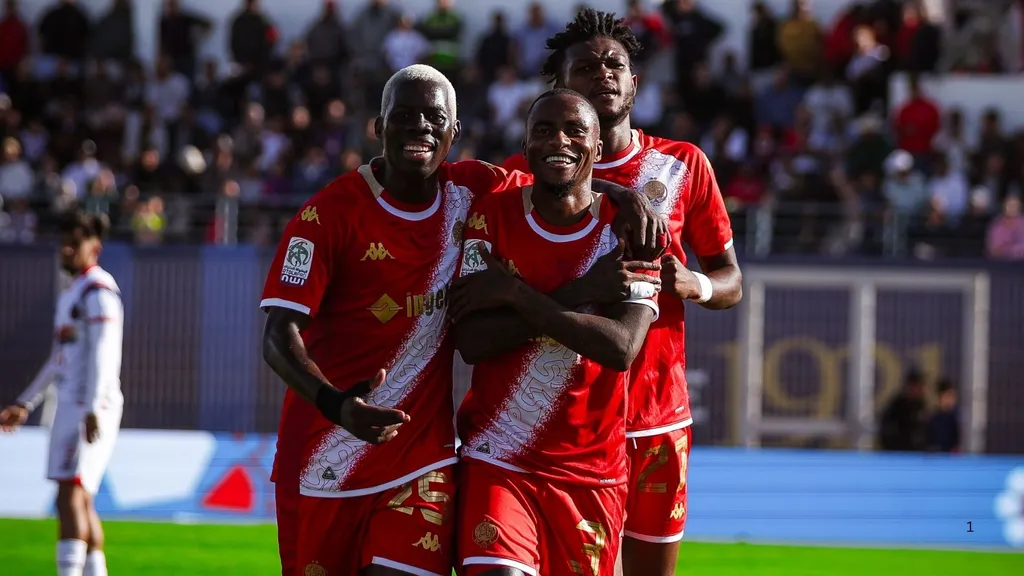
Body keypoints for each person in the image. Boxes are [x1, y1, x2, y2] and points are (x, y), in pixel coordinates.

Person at [260, 64, 665, 576]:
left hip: (420, 461)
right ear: (377, 128)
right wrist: (335, 403)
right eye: (403, 117)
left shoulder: (474, 189)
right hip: (327, 449)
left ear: (454, 133)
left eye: (434, 119)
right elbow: (277, 334)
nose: (419, 129)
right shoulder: (326, 216)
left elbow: (562, 169)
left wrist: (626, 195)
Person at [503, 10, 742, 576]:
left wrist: (694, 284)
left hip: (655, 416)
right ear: (560, 88)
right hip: (555, 416)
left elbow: (732, 280)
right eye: (585, 67)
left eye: (616, 64)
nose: (603, 74)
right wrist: (617, 191)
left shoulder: (683, 165)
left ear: (635, 82)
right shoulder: (518, 175)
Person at [451, 88, 660, 576]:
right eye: (543, 130)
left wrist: (514, 294)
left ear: (598, 149)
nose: (558, 141)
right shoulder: (492, 215)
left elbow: (620, 347)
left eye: (574, 131)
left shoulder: (634, 232)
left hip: (592, 472)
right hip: (498, 457)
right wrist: (585, 290)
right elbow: (473, 342)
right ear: (524, 148)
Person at [1, 211, 124, 576]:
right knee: (80, 497)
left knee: (69, 492)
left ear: (95, 248)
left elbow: (106, 353)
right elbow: (58, 359)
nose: (67, 249)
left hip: (88, 404)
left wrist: (92, 408)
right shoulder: (73, 292)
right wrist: (26, 402)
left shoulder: (99, 293)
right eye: (64, 242)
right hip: (72, 403)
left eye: (76, 243)